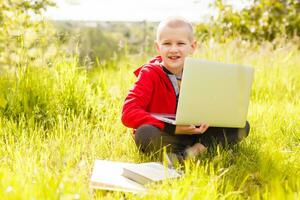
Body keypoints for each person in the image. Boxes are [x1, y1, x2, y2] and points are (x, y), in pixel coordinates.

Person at [121, 17, 250, 162]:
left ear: (192, 46)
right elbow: (128, 113)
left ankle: (194, 151)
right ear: (158, 47)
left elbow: (213, 106)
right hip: (167, 133)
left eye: (181, 43)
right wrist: (173, 128)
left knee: (241, 125)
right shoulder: (149, 73)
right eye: (167, 43)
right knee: (145, 133)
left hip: (196, 133)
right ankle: (183, 154)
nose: (173, 49)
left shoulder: (202, 72)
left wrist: (212, 118)